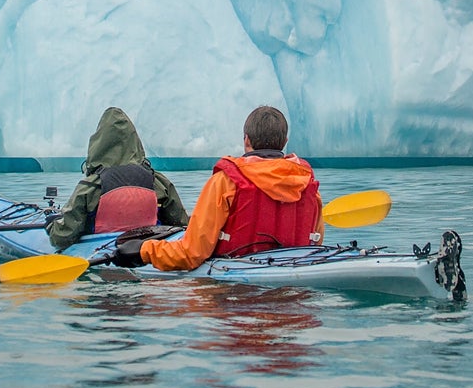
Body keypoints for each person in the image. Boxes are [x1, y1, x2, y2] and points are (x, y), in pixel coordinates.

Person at [112, 104, 322, 270]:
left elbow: (191, 254)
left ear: (246, 140)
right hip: (297, 296)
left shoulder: (226, 182)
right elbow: (317, 242)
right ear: (285, 141)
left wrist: (144, 250)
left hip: (232, 299)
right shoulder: (306, 182)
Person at [46, 107, 189, 250]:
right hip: (147, 249)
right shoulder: (157, 181)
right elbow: (181, 225)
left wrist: (53, 226)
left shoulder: (90, 186)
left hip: (101, 251)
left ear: (98, 144)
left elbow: (62, 238)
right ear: (135, 142)